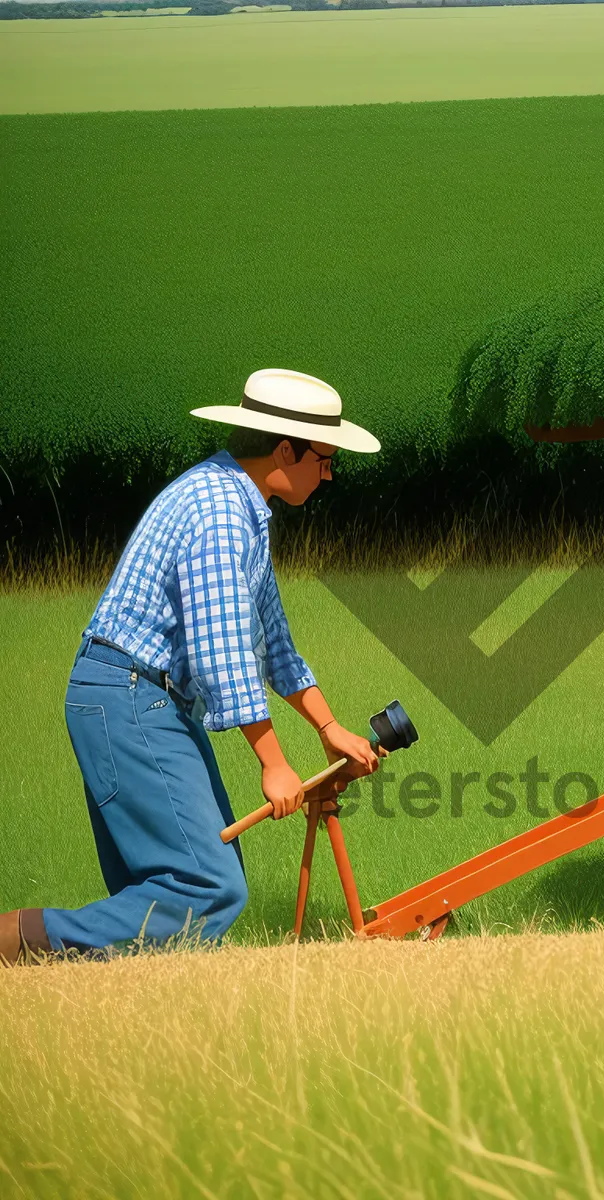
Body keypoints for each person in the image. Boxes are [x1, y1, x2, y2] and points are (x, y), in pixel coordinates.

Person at [0, 369, 383, 965]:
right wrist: (275, 764)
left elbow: (273, 643)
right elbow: (221, 651)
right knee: (208, 887)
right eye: (326, 459)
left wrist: (329, 729)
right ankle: (18, 942)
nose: (329, 474)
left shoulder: (242, 506)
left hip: (139, 699)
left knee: (166, 894)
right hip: (129, 696)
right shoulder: (219, 514)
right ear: (285, 450)